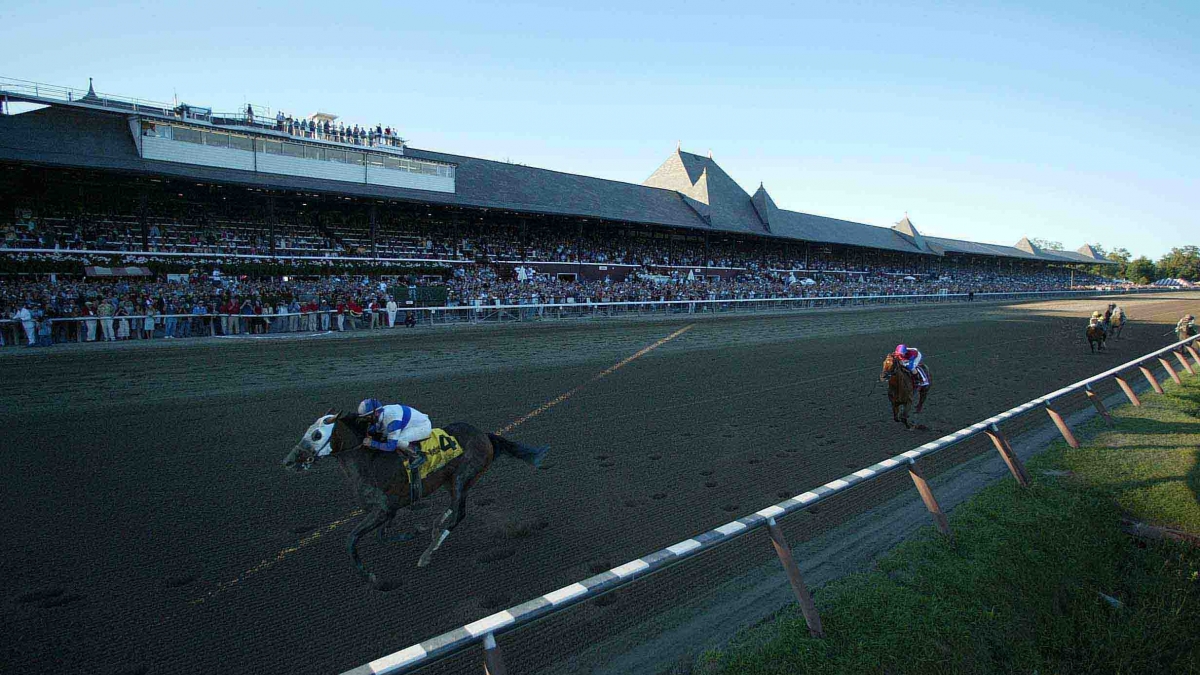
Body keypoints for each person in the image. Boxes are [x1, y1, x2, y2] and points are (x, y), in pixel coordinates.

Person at [357, 398, 432, 468]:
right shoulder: (381, 414)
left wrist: (372, 443)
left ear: (375, 413)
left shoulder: (392, 421)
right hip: (408, 423)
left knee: (398, 441)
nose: (366, 419)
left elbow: (391, 447)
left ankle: (418, 455)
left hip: (422, 426)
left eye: (367, 417)